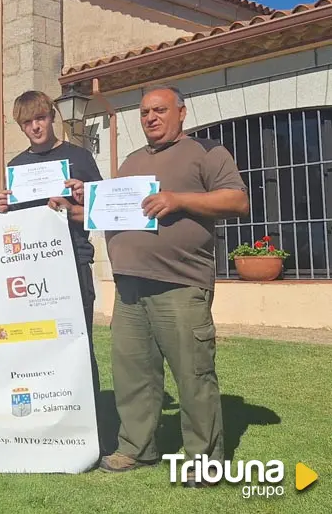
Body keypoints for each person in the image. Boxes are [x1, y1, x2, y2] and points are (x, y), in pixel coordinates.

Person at [96, 85, 249, 486]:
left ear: (181, 113)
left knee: (193, 375)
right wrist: (81, 204)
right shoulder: (130, 162)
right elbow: (109, 212)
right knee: (133, 374)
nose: (151, 117)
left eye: (160, 110)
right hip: (129, 287)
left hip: (180, 284)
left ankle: (203, 459)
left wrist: (179, 199)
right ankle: (135, 447)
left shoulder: (206, 152)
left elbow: (237, 200)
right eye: (145, 112)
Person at [0, 90, 104, 414]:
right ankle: (46, 412)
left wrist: (84, 194)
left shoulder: (80, 157)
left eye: (40, 118)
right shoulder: (16, 166)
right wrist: (1, 209)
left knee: (79, 342)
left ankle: (90, 418)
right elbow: (14, 224)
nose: (36, 127)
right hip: (31, 270)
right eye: (27, 123)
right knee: (38, 345)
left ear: (52, 117)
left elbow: (101, 209)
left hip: (74, 260)